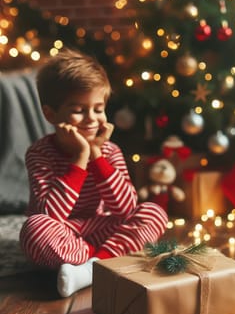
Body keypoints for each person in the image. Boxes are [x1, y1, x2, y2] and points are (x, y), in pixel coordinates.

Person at [19, 48, 168, 297]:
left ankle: (92, 267)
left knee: (153, 212)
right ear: (50, 114)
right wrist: (80, 158)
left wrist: (97, 156)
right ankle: (103, 257)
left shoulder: (109, 151)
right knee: (34, 229)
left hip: (102, 227)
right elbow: (50, 214)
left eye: (98, 109)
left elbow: (125, 208)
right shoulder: (39, 153)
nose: (91, 119)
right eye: (79, 110)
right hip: (63, 231)